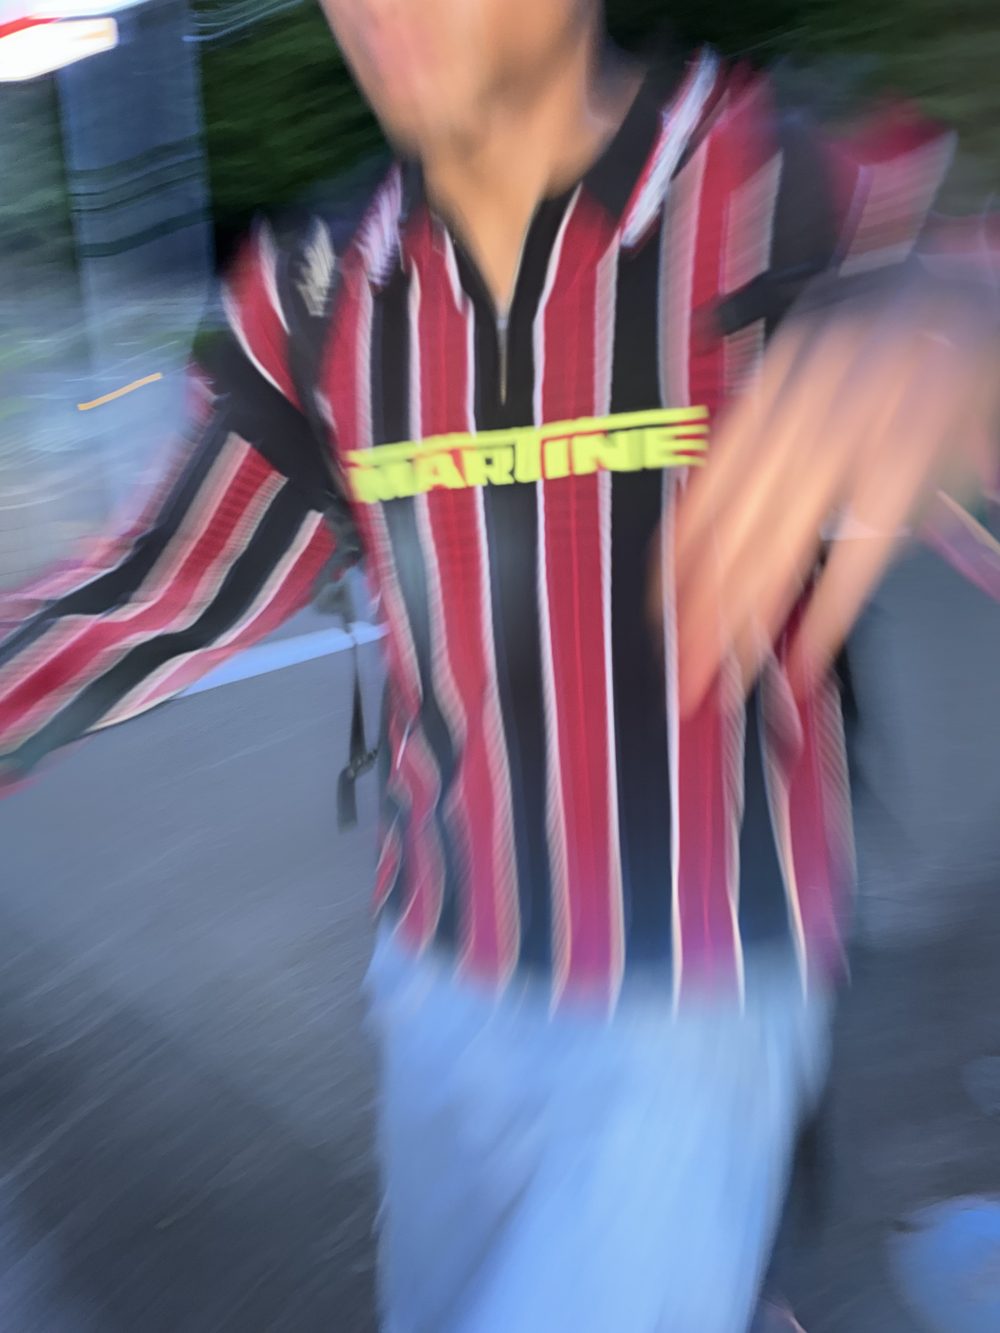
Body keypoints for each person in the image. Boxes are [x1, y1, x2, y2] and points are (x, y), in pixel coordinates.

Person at [2, 3, 999, 1329]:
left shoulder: (785, 189)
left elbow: (963, 328)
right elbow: (160, 589)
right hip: (437, 980)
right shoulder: (319, 290)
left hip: (701, 994)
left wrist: (963, 327)